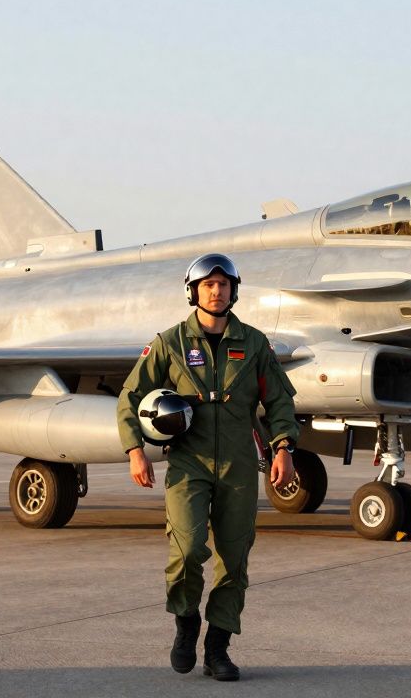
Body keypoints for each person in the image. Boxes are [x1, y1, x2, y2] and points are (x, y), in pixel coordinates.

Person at [116, 253, 300, 682]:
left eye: (223, 284)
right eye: (208, 285)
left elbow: (279, 402)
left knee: (234, 562)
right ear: (193, 291)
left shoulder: (254, 344)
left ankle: (218, 647)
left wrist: (284, 448)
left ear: (234, 290)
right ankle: (186, 624)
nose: (216, 292)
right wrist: (134, 450)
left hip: (238, 467)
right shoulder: (170, 343)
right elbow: (130, 397)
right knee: (187, 551)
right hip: (188, 464)